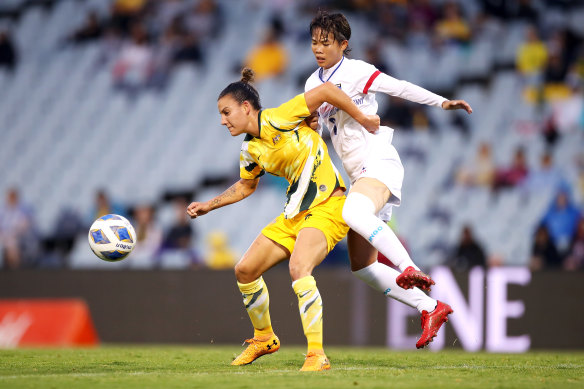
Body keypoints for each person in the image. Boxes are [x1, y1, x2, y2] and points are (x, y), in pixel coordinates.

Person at [186, 68, 379, 371]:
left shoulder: (281, 116)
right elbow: (247, 185)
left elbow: (327, 90)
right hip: (294, 213)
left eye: (226, 112)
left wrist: (363, 118)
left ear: (245, 107)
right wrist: (209, 205)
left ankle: (317, 354)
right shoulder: (250, 149)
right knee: (245, 270)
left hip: (328, 204)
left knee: (299, 267)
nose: (223, 120)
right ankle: (264, 338)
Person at [305, 11, 473, 349]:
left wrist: (442, 102)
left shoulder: (357, 72)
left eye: (326, 43)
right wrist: (312, 129)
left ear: (343, 44)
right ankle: (431, 307)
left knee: (351, 213)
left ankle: (410, 267)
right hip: (358, 174)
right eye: (313, 42)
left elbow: (400, 88)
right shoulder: (312, 84)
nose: (318, 49)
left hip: (378, 160)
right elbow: (318, 129)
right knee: (362, 267)